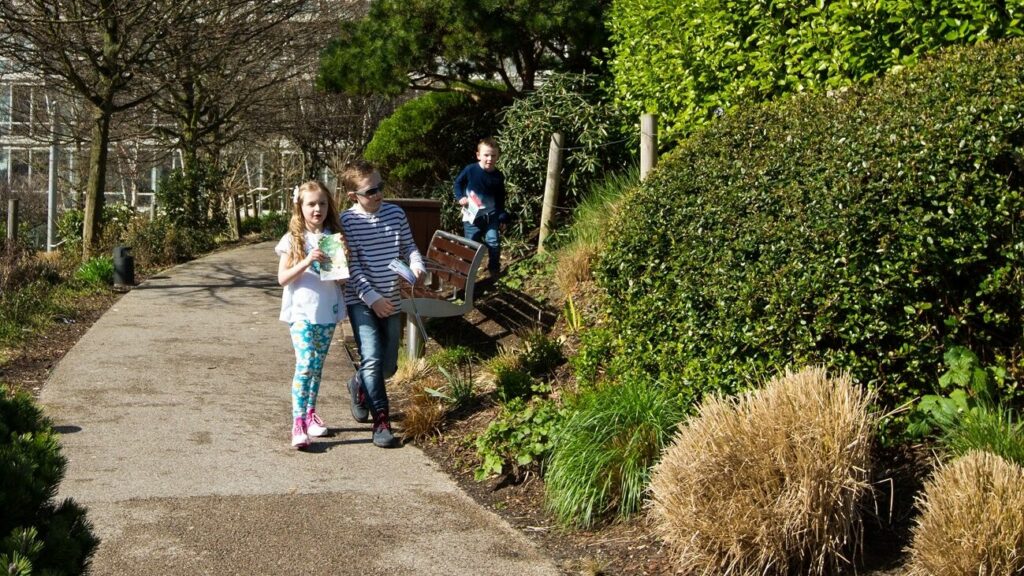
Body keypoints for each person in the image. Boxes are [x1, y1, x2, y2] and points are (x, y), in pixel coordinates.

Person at [340, 160, 425, 448]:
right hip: (362, 299)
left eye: (380, 187)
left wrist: (416, 265)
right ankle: (381, 423)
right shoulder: (347, 222)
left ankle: (358, 384)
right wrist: (372, 299)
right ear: (354, 197)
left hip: (392, 296)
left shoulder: (395, 213)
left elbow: (409, 247)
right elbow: (352, 269)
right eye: (370, 191)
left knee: (388, 367)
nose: (378, 194)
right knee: (372, 358)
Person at [275, 180, 345, 449]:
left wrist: (341, 263)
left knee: (316, 367)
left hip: (327, 310)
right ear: (300, 207)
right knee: (304, 365)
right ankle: (298, 423)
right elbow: (282, 278)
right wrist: (307, 260)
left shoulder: (333, 237)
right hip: (301, 312)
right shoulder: (293, 239)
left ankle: (310, 413)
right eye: (311, 204)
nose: (318, 209)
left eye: (322, 204)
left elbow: (340, 281)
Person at [453, 137, 508, 279]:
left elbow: (501, 197)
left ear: (498, 156)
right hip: (472, 217)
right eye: (486, 155)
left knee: (493, 241)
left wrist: (502, 215)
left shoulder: (498, 176)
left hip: (491, 216)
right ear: (478, 155)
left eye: (493, 155)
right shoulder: (470, 170)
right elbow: (457, 184)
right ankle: (465, 274)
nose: (490, 159)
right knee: (471, 246)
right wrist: (460, 197)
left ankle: (494, 269)